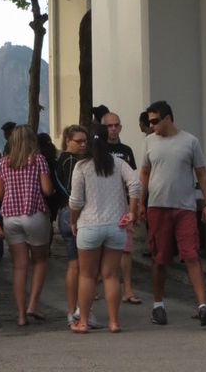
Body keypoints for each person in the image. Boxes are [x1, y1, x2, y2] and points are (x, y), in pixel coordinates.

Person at [139, 99, 206, 327]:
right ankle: (158, 305)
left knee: (191, 254)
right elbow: (144, 173)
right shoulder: (150, 142)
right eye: (149, 121)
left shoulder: (190, 141)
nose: (151, 126)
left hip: (185, 207)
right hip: (157, 207)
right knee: (160, 258)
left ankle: (202, 306)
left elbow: (201, 174)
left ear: (168, 118)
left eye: (154, 121)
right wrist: (140, 203)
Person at [69, 124, 141, 333]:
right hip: (115, 226)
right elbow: (135, 184)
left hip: (89, 226)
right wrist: (132, 212)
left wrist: (73, 221)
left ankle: (83, 321)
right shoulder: (118, 164)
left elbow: (75, 201)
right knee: (111, 275)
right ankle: (113, 322)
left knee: (87, 275)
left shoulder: (82, 167)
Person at [0, 124, 54, 326]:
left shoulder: (3, 163)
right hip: (34, 213)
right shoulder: (38, 160)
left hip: (10, 217)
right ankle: (33, 305)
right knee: (40, 260)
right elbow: (46, 190)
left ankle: (20, 315)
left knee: (19, 266)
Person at [54, 124, 95, 326]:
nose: (83, 144)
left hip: (62, 212)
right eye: (78, 141)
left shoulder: (59, 160)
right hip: (73, 214)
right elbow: (75, 192)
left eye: (85, 141)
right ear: (67, 141)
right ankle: (80, 309)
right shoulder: (72, 162)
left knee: (74, 264)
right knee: (82, 266)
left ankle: (73, 311)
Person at [102, 111, 141, 304]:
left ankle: (127, 289)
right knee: (100, 247)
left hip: (123, 205)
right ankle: (97, 286)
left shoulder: (126, 150)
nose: (113, 128)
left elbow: (133, 180)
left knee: (126, 249)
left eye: (116, 125)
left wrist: (134, 207)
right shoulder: (98, 150)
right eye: (109, 125)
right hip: (101, 206)